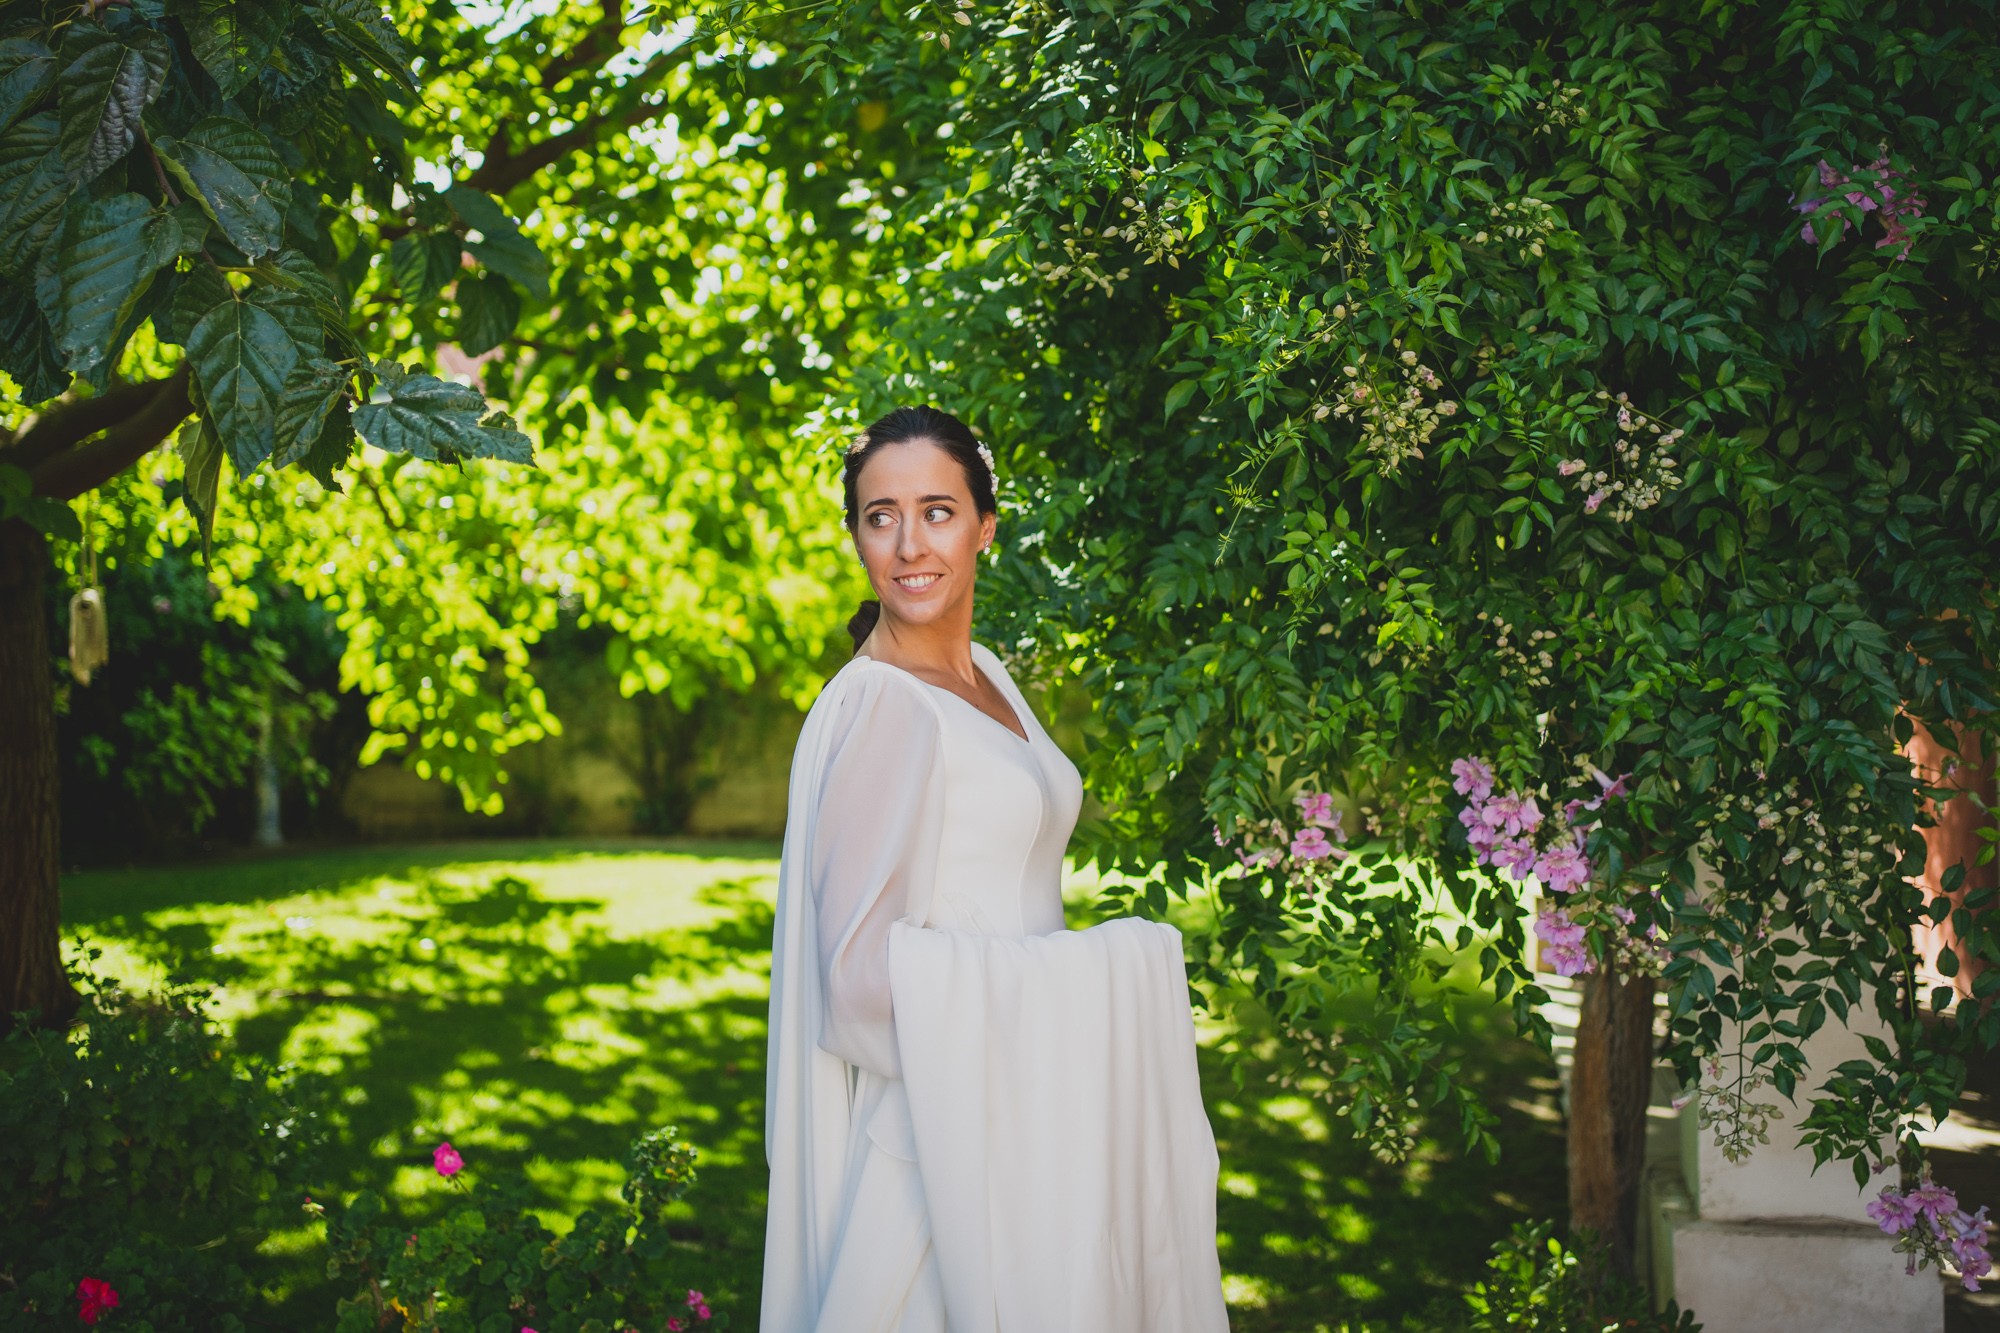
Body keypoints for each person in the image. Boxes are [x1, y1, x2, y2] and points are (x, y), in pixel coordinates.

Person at [761, 405, 1230, 1331]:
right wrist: (1068, 1010)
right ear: (855, 535)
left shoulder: (986, 672)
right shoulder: (885, 707)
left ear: (985, 523)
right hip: (946, 1152)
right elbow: (853, 988)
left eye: (936, 509)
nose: (907, 545)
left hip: (1025, 1122)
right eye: (878, 515)